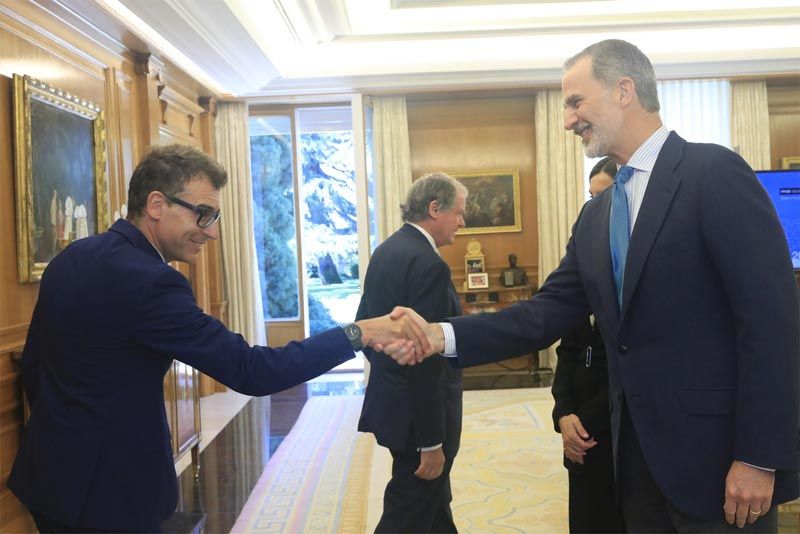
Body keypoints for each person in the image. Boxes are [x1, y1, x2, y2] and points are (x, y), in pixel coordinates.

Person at [386, 39, 799, 532]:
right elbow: (545, 313)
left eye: (575, 102)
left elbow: (772, 326)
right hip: (633, 465)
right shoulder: (595, 216)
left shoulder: (714, 173)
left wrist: (759, 455)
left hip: (719, 464)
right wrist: (439, 336)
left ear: (624, 90)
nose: (567, 120)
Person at [8, 144, 427, 533]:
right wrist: (359, 332)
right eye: (202, 214)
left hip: (49, 477)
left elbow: (35, 367)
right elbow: (252, 370)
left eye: (215, 218)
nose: (210, 232)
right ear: (156, 204)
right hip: (112, 495)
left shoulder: (72, 257)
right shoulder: (154, 283)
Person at [358, 172, 467, 533]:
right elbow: (426, 361)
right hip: (421, 419)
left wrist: (391, 372)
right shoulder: (429, 263)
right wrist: (431, 440)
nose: (462, 222)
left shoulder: (387, 250)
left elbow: (365, 329)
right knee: (407, 514)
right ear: (435, 209)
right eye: (458, 212)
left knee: (434, 507)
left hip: (394, 406)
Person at [551, 156, 625, 533]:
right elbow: (567, 350)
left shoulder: (632, 270)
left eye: (605, 195)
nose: (594, 205)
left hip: (613, 429)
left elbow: (628, 368)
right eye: (590, 196)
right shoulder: (582, 257)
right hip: (576, 429)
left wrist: (582, 423)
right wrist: (563, 412)